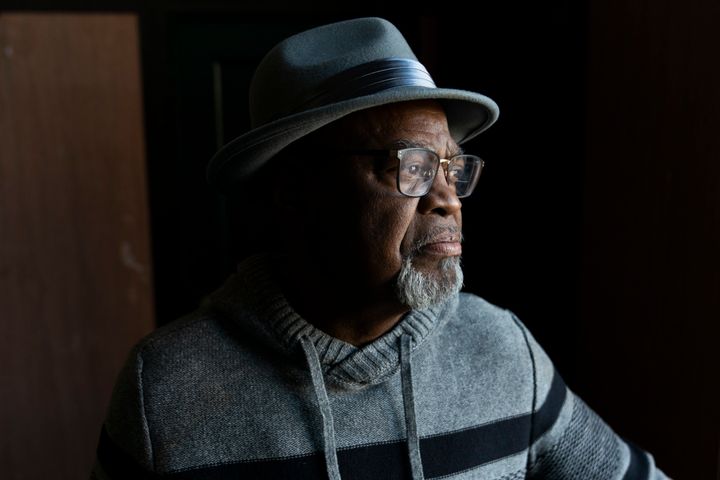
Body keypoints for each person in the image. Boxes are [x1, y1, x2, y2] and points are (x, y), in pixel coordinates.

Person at [92, 17, 668, 480]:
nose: (449, 200)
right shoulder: (165, 392)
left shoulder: (501, 350)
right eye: (410, 166)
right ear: (294, 191)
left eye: (450, 167)